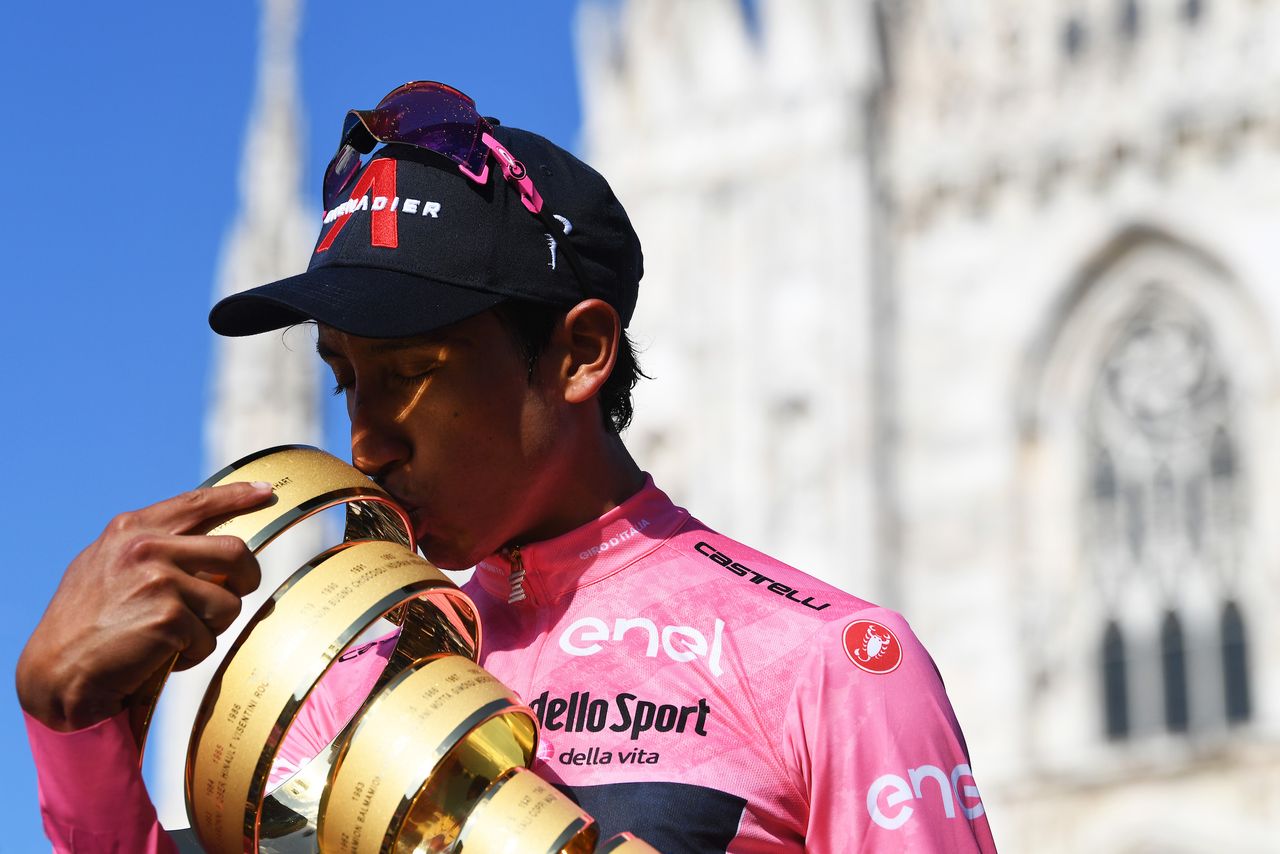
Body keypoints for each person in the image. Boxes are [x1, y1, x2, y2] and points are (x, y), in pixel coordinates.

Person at [17, 81, 997, 853]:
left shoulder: (834, 666)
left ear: (577, 354)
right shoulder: (338, 689)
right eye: (345, 376)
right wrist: (77, 729)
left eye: (408, 371)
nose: (366, 440)